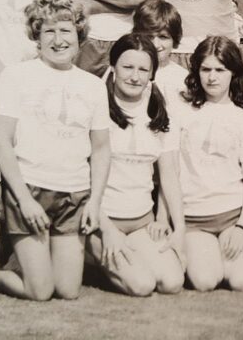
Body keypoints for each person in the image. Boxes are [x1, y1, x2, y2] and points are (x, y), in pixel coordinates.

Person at [0, 0, 112, 301]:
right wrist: (24, 201)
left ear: (79, 34)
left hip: (73, 195)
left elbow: (100, 149)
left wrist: (94, 202)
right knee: (40, 291)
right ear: (37, 35)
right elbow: (1, 140)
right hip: (29, 191)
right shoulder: (16, 76)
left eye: (66, 30)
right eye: (49, 31)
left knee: (68, 290)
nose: (58, 40)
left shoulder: (94, 86)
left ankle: (30, 260)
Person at [86, 33, 186, 296]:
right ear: (113, 68)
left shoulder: (161, 117)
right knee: (141, 285)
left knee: (172, 282)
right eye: (127, 67)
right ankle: (89, 257)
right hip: (101, 222)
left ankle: (123, 260)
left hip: (141, 223)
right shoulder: (96, 111)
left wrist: (179, 229)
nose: (135, 76)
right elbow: (82, 177)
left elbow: (170, 176)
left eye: (143, 69)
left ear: (152, 75)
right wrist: (106, 229)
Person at [176, 36, 243, 291]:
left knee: (240, 281)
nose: (212, 77)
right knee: (205, 281)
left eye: (220, 70)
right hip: (194, 217)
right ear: (196, 71)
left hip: (233, 216)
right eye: (206, 69)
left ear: (233, 73)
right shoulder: (182, 112)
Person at [132, 0, 188, 111]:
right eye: (149, 37)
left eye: (163, 37)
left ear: (174, 39)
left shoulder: (181, 77)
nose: (156, 44)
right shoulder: (127, 70)